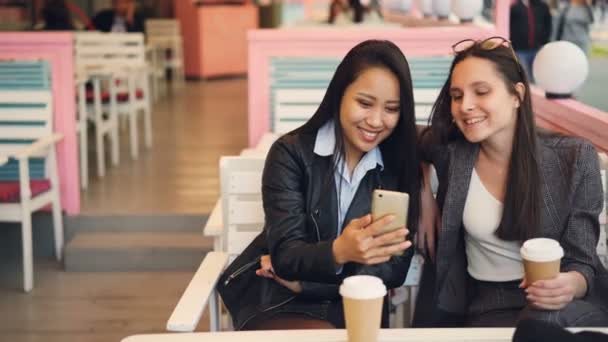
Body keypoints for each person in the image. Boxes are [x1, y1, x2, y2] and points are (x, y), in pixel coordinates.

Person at [217, 39, 422, 330]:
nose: (376, 121)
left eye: (391, 108)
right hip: (278, 300)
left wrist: (307, 284)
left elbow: (393, 269)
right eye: (364, 103)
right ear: (340, 94)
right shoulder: (291, 153)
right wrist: (341, 251)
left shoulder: (399, 163)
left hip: (356, 304)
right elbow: (286, 256)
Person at [413, 36, 608, 328]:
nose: (465, 106)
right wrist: (423, 192)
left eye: (481, 92)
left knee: (542, 323)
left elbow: (582, 260)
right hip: (487, 305)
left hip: (567, 306)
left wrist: (571, 283)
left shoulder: (574, 157)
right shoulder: (453, 153)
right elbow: (409, 138)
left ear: (517, 95)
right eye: (456, 95)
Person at [510, 0, 552, 82]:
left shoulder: (542, 6)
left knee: (537, 78)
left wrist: (544, 42)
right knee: (525, 79)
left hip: (537, 49)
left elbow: (548, 25)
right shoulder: (514, 6)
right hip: (519, 50)